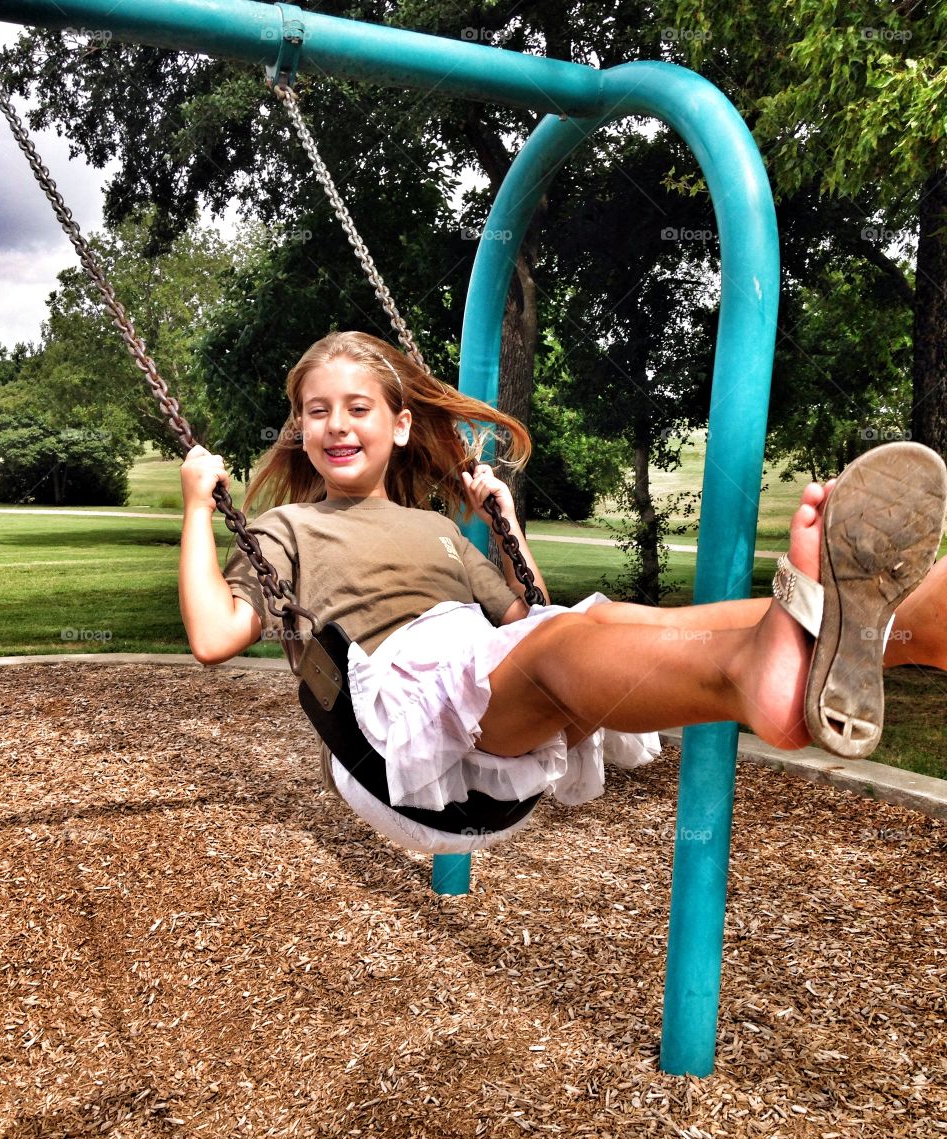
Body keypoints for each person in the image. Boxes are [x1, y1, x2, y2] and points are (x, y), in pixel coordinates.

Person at [179, 331, 947, 854]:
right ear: (301, 431)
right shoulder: (288, 527)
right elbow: (215, 638)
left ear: (403, 425)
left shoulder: (439, 533)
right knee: (565, 642)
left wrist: (507, 528)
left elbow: (531, 617)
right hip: (396, 740)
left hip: (484, 680)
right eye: (318, 412)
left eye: (358, 408)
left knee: (602, 622)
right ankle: (752, 676)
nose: (337, 426)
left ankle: (909, 626)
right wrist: (194, 508)